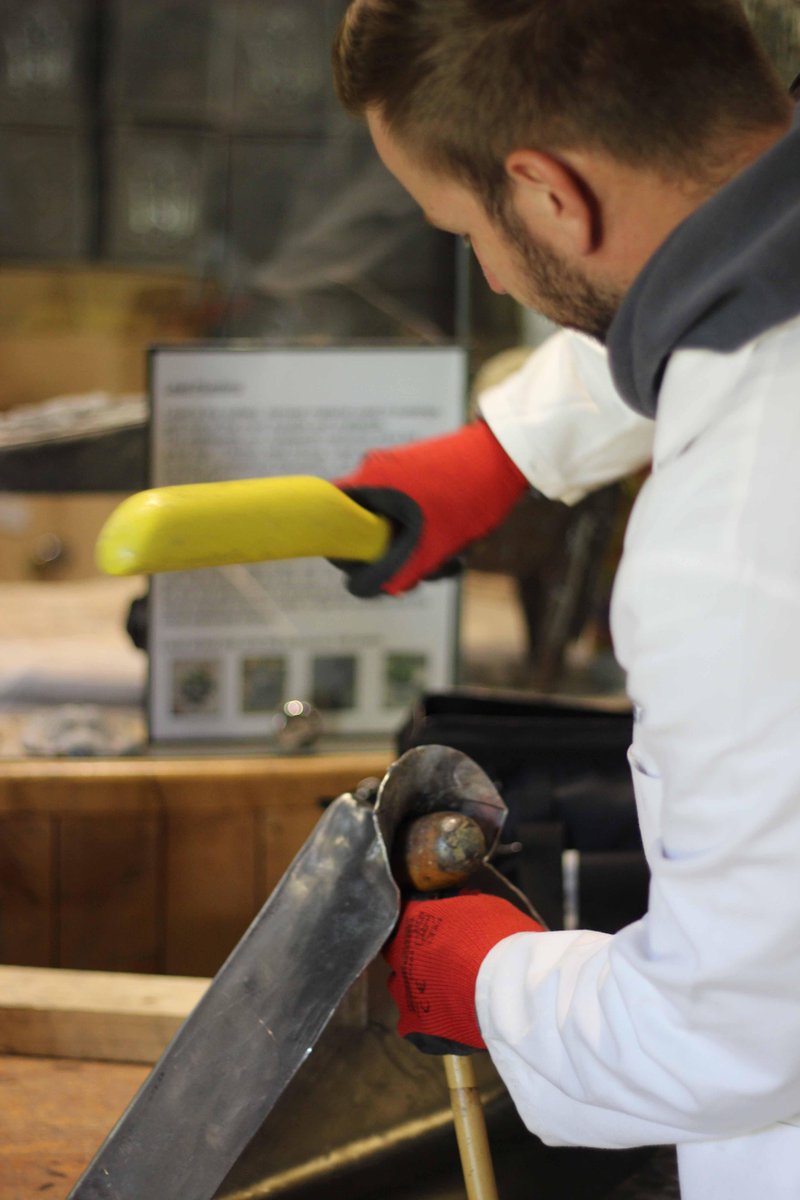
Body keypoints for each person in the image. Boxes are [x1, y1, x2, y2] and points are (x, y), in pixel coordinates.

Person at [327, 2, 800, 1197]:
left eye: (461, 227)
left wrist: (493, 979)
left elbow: (733, 1032)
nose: (486, 267)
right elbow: (711, 256)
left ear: (545, 194)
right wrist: (503, 448)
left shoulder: (735, 534)